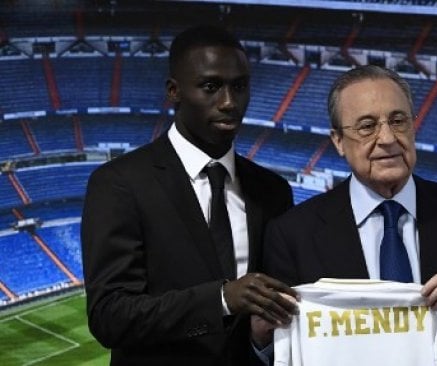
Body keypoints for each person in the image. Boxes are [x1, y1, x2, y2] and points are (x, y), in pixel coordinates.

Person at [263, 65, 437, 364]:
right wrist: (261, 337)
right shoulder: (292, 233)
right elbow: (274, 349)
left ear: (414, 126)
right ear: (338, 141)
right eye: (367, 126)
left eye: (398, 121)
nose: (387, 138)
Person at [81, 25, 297, 365]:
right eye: (211, 86)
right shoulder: (119, 183)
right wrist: (221, 300)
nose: (229, 102)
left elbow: (272, 312)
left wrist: (261, 340)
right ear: (174, 91)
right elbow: (109, 316)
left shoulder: (273, 191)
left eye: (239, 86)